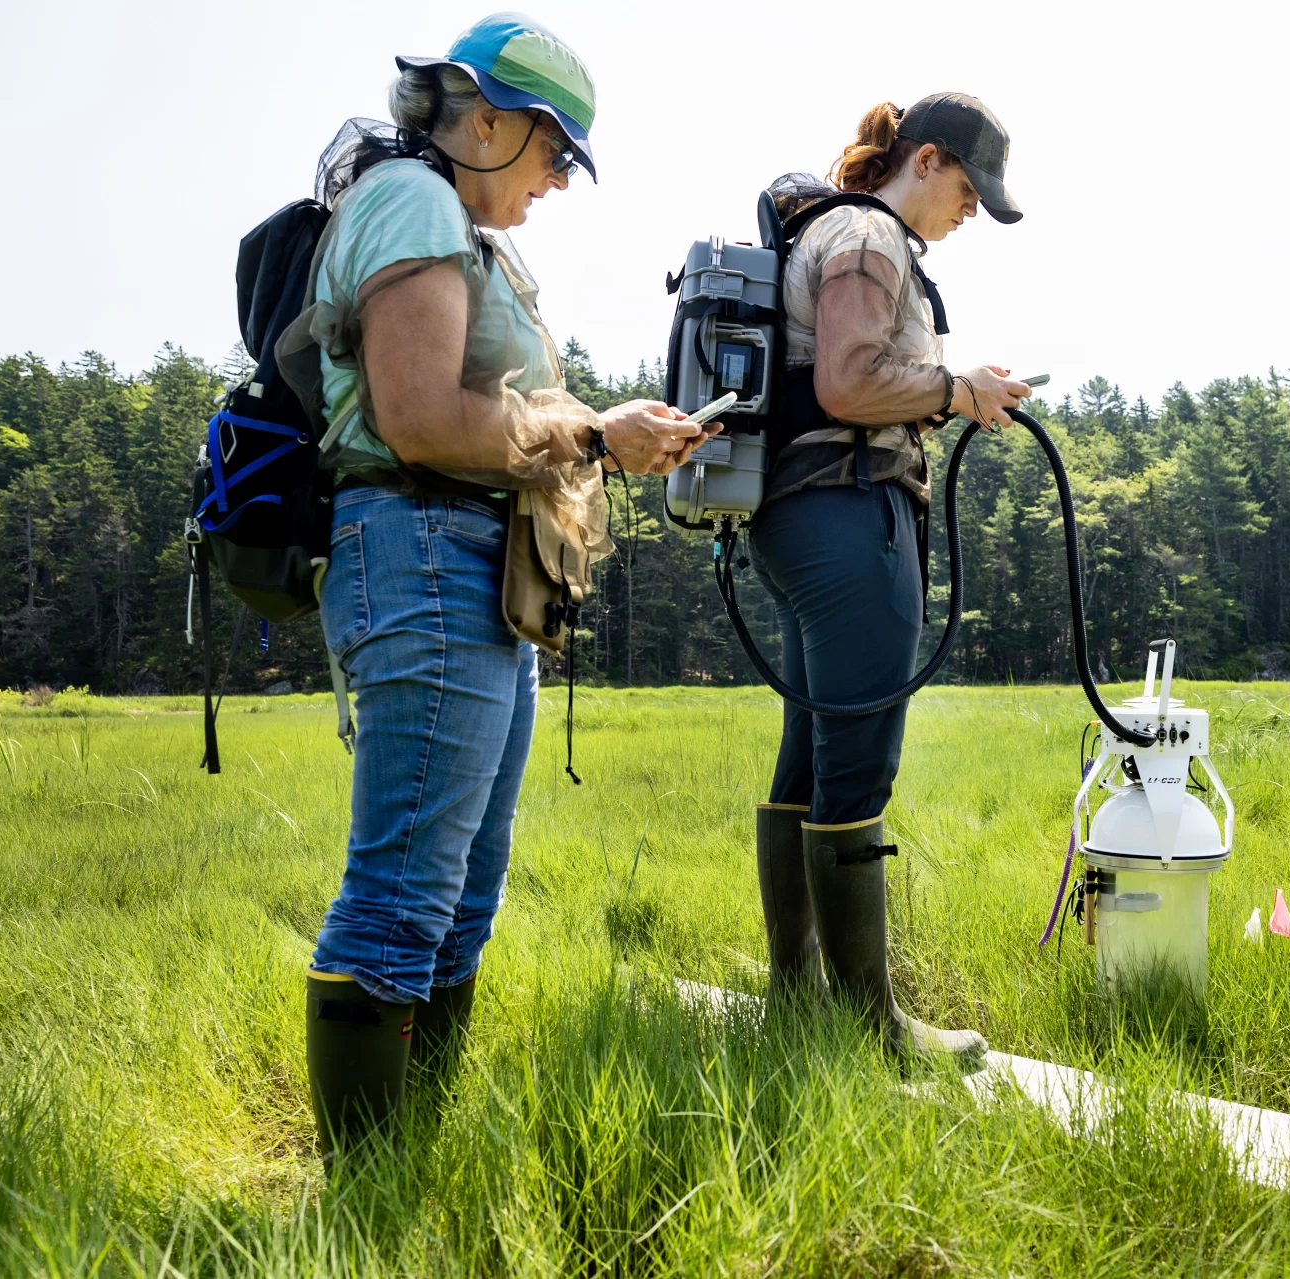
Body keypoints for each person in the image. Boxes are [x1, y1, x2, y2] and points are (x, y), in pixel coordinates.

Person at [301, 13, 703, 1157]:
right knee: (401, 894)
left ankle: (413, 1146)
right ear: (482, 118)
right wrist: (594, 435)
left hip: (471, 567)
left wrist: (600, 437)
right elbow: (422, 418)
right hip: (425, 549)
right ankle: (371, 1190)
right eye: (551, 150)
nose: (556, 182)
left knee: (462, 892)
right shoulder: (416, 201)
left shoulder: (454, 220)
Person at [750, 95, 1031, 1062]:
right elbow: (847, 382)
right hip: (845, 514)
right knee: (858, 756)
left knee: (810, 756)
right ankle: (871, 1026)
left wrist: (961, 388)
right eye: (967, 190)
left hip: (803, 517)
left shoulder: (847, 234)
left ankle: (796, 1002)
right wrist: (957, 392)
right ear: (925, 159)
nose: (968, 214)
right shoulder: (868, 237)